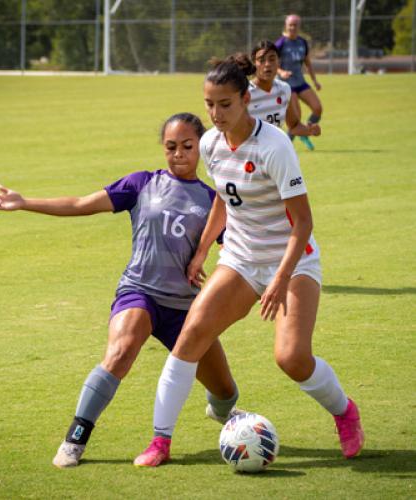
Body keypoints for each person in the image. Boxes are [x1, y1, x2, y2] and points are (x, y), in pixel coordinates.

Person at [134, 58, 364, 467]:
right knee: (190, 337)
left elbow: (304, 222)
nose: (216, 114)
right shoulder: (209, 144)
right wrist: (204, 249)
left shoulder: (274, 147)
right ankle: (160, 442)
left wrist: (279, 278)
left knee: (291, 358)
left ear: (245, 100)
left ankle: (345, 413)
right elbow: (224, 196)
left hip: (292, 259)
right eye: (209, 104)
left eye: (225, 104)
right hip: (240, 258)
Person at [0, 112, 242, 469]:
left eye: (187, 146)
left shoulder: (214, 202)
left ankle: (222, 412)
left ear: (201, 147)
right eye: (170, 147)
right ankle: (76, 437)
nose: (179, 154)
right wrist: (24, 202)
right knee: (121, 352)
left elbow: (238, 254)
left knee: (226, 393)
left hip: (186, 308)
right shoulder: (141, 184)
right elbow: (80, 204)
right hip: (139, 292)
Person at [245, 40, 320, 140]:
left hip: (274, 153)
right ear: (254, 63)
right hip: (251, 153)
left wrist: (309, 130)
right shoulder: (245, 93)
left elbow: (293, 126)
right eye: (261, 60)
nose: (267, 64)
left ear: (279, 61)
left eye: (272, 59)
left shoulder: (284, 89)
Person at [275, 14, 322, 151]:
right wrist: (281, 72)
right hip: (287, 85)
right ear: (286, 26)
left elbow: (308, 63)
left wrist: (315, 80)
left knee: (318, 108)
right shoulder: (280, 43)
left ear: (299, 27)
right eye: (290, 25)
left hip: (300, 82)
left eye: (295, 25)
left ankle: (305, 131)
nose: (293, 27)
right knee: (295, 118)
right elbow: (271, 63)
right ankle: (286, 145)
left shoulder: (302, 42)